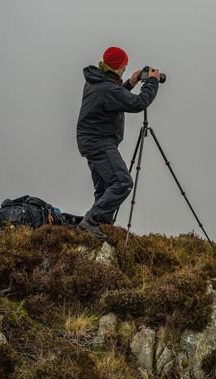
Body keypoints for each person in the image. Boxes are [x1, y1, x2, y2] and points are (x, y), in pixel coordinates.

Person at [76, 46, 160, 240]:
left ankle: (101, 226)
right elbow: (138, 103)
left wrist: (131, 82)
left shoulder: (96, 80)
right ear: (117, 67)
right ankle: (90, 222)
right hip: (99, 142)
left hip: (90, 140)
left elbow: (114, 97)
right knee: (123, 182)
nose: (125, 69)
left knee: (105, 187)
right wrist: (152, 82)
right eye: (124, 66)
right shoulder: (106, 87)